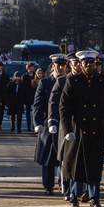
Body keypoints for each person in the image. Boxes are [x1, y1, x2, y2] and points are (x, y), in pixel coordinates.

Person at [60, 50, 104, 207]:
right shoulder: (73, 81)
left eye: (92, 63)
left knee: (94, 165)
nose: (90, 66)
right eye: (86, 63)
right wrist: (67, 130)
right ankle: (73, 194)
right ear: (81, 65)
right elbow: (64, 107)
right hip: (78, 129)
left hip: (96, 129)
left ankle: (94, 197)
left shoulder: (103, 81)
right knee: (76, 165)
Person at [33, 54, 68, 195]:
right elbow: (37, 105)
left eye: (63, 65)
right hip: (48, 124)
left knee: (65, 156)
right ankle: (48, 185)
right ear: (53, 66)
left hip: (64, 123)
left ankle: (64, 183)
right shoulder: (45, 83)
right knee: (48, 157)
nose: (60, 68)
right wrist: (37, 123)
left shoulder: (68, 82)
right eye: (57, 65)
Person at [49, 56, 81, 201]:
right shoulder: (62, 81)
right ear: (71, 64)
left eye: (80, 63)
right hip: (66, 125)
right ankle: (67, 189)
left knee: (81, 159)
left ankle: (80, 190)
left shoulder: (87, 81)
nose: (78, 65)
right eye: (75, 63)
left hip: (81, 126)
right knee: (66, 160)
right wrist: (53, 122)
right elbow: (54, 103)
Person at [22, 62, 38, 132]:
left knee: (35, 112)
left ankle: (34, 125)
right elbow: (23, 88)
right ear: (28, 68)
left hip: (34, 96)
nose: (33, 68)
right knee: (28, 112)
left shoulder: (35, 76)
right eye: (31, 67)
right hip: (27, 96)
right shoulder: (24, 77)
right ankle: (28, 126)